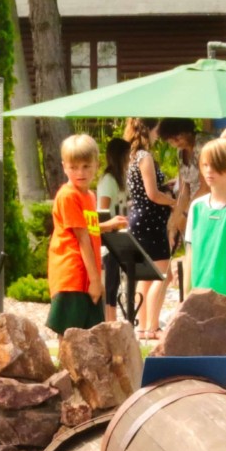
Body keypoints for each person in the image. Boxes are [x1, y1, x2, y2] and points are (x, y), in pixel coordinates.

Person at [45, 133, 122, 333]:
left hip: (86, 275)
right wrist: (96, 281)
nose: (80, 172)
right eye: (74, 167)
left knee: (90, 336)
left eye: (86, 166)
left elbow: (88, 228)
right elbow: (82, 238)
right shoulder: (68, 195)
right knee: (70, 336)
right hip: (72, 275)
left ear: (97, 164)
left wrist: (107, 225)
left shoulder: (89, 196)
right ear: (64, 166)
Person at [124, 118, 175, 339]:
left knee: (145, 277)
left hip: (138, 219)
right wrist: (174, 201)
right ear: (151, 129)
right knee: (163, 275)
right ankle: (152, 326)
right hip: (150, 222)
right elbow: (152, 194)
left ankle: (142, 326)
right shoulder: (145, 157)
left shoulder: (132, 156)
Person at [185, 138, 226, 296]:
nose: (209, 171)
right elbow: (190, 253)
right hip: (199, 293)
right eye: (205, 165)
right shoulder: (197, 207)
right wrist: (186, 294)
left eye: (216, 165)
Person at [160, 119, 200, 298]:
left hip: (206, 203)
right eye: (171, 140)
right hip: (191, 204)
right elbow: (184, 189)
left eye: (177, 137)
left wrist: (186, 215)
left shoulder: (202, 146)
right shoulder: (180, 153)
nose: (175, 142)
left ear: (188, 131)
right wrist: (174, 222)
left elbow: (206, 186)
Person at [98, 137, 130, 321]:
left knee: (116, 282)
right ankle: (109, 320)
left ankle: (113, 318)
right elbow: (103, 209)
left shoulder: (119, 179)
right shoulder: (109, 180)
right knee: (110, 282)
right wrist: (111, 224)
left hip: (119, 234)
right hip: (109, 236)